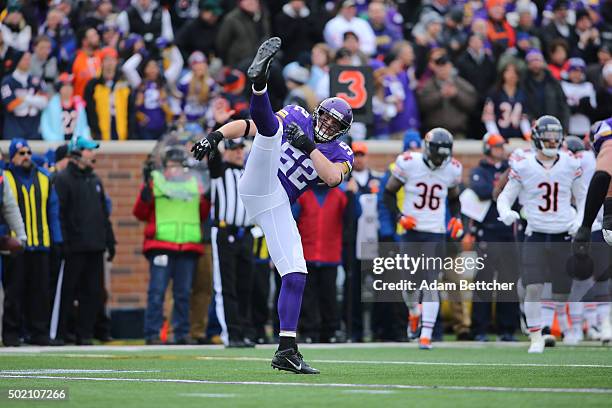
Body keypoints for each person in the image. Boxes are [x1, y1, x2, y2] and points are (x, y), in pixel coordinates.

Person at [192, 37, 354, 374]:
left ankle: (286, 349)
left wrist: (309, 146)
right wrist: (217, 136)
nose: (327, 126)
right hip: (259, 181)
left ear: (342, 131)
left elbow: (334, 178)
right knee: (269, 132)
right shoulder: (297, 114)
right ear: (317, 112)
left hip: (276, 203)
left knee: (295, 273)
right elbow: (252, 125)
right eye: (325, 118)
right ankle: (260, 82)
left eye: (335, 125)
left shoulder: (342, 153)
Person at [497, 115, 586, 353]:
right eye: (547, 139)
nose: (552, 143)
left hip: (563, 232)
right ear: (537, 139)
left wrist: (580, 220)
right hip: (535, 233)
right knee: (533, 286)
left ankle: (562, 325)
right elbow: (505, 196)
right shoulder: (524, 164)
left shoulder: (570, 162)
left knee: (561, 292)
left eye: (556, 138)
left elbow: (584, 196)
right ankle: (536, 336)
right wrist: (506, 212)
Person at [383, 128, 464, 350]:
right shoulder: (409, 162)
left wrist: (456, 218)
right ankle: (414, 312)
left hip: (436, 232)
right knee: (408, 284)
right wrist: (400, 216)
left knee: (431, 281)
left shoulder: (452, 169)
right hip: (411, 231)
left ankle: (426, 335)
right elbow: (388, 193)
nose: (440, 160)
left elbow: (455, 199)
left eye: (443, 155)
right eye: (437, 154)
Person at [133, 145, 209, 344]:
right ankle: (152, 333)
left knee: (183, 294)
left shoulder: (195, 184)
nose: (174, 169)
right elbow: (139, 213)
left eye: (178, 165)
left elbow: (202, 213)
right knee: (157, 292)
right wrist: (145, 194)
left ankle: (182, 333)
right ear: (164, 167)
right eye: (170, 165)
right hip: (161, 244)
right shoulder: (154, 182)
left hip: (188, 246)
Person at [52, 137, 115, 346]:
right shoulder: (63, 179)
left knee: (93, 293)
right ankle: (61, 333)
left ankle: (85, 334)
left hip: (95, 246)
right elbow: (58, 213)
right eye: (89, 151)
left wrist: (109, 240)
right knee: (67, 292)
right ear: (77, 153)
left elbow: (103, 214)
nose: (92, 154)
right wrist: (63, 241)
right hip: (73, 247)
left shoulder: (94, 180)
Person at [2, 138, 62, 346]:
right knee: (14, 291)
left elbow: (53, 210)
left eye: (28, 152)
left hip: (41, 243)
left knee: (40, 292)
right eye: (21, 153)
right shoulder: (6, 177)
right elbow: (6, 210)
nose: (26, 156)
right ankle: (11, 333)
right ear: (12, 157)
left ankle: (39, 332)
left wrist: (57, 239)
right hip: (15, 245)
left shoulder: (44, 178)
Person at [469, 133, 520, 342]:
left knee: (508, 282)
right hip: (487, 232)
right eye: (497, 146)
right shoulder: (480, 170)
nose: (501, 149)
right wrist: (500, 187)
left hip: (507, 231)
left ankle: (506, 329)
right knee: (484, 282)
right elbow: (481, 190)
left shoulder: (512, 169)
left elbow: (516, 193)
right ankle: (479, 328)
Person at [208, 137, 255, 347]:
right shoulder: (219, 171)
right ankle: (231, 333)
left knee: (245, 285)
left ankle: (243, 331)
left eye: (240, 149)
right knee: (226, 285)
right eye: (233, 149)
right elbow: (212, 157)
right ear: (225, 152)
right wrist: (218, 127)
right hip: (225, 233)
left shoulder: (248, 172)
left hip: (246, 234)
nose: (238, 153)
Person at [294, 183, 347, 343]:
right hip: (307, 254)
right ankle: (309, 330)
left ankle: (330, 330)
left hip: (330, 255)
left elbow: (353, 215)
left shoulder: (340, 194)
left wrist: (352, 194)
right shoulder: (303, 194)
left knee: (329, 296)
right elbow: (293, 218)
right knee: (308, 297)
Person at [417, 52, 478, 138]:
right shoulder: (428, 85)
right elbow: (422, 105)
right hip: (434, 132)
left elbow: (471, 104)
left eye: (445, 66)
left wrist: (456, 95)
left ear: (450, 67)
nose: (443, 70)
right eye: (440, 67)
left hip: (458, 132)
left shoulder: (461, 84)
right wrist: (440, 95)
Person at [84, 47, 136, 140]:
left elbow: (131, 110)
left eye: (112, 59)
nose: (110, 63)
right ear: (102, 62)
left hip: (121, 130)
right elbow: (90, 110)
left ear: (116, 62)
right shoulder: (93, 85)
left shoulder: (124, 83)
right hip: (101, 131)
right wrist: (95, 131)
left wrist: (130, 133)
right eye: (106, 59)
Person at [1, 51, 48, 140]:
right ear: (17, 60)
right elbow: (11, 105)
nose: (27, 62)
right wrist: (34, 99)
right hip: (14, 129)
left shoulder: (37, 80)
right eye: (24, 59)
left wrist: (24, 98)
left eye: (29, 59)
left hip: (34, 129)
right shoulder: (7, 81)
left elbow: (44, 102)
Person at [482, 62, 532, 140]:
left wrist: (527, 134)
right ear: (503, 74)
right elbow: (488, 118)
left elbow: (524, 118)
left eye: (514, 72)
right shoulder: (494, 93)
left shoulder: (523, 94)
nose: (512, 75)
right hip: (499, 136)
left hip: (518, 137)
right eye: (508, 71)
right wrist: (495, 135)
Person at [522, 49, 570, 129]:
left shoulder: (553, 82)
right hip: (531, 128)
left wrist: (564, 128)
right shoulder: (523, 83)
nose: (535, 64)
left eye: (537, 60)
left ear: (543, 62)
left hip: (553, 128)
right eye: (531, 61)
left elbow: (563, 106)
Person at [215, 0, 271, 67]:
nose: (251, 2)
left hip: (261, 60)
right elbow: (222, 44)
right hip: (239, 63)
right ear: (240, 3)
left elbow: (267, 36)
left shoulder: (263, 15)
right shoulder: (231, 19)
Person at [40, 73, 90, 142]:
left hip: (76, 145)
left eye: (70, 86)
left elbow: (84, 126)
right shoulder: (51, 104)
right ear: (59, 88)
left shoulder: (79, 104)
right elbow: (45, 126)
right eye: (65, 86)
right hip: (57, 145)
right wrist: (54, 140)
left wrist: (84, 140)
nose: (68, 89)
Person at [560, 57, 597, 136]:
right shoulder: (562, 85)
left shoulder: (588, 86)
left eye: (580, 72)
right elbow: (562, 107)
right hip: (568, 128)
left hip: (585, 128)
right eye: (574, 71)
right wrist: (578, 105)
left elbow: (593, 108)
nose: (577, 75)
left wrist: (583, 105)